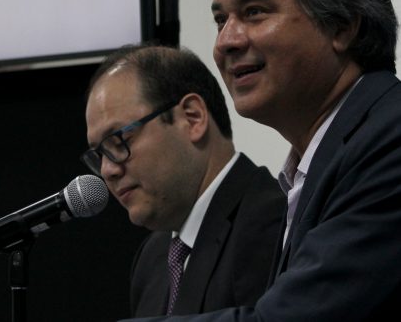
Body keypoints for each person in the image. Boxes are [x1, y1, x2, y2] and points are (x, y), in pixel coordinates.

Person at [123, 0, 401, 322]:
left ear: (342, 25)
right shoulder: (320, 164)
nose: (226, 41)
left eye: (253, 12)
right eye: (221, 20)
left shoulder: (389, 140)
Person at [82, 44, 285, 317]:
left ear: (193, 117)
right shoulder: (152, 256)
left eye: (119, 140)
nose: (108, 170)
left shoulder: (274, 223)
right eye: (99, 154)